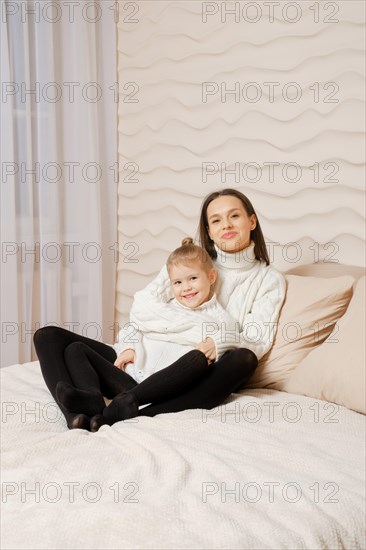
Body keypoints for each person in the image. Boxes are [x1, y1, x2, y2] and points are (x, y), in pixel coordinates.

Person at [33, 188, 286, 431]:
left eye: (235, 216)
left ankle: (141, 409)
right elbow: (142, 309)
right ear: (209, 231)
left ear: (251, 221)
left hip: (194, 371)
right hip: (145, 358)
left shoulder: (268, 280)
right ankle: (77, 415)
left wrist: (215, 343)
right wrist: (132, 342)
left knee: (244, 358)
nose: (227, 225)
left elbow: (255, 341)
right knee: (47, 336)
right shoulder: (190, 261)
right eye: (216, 220)